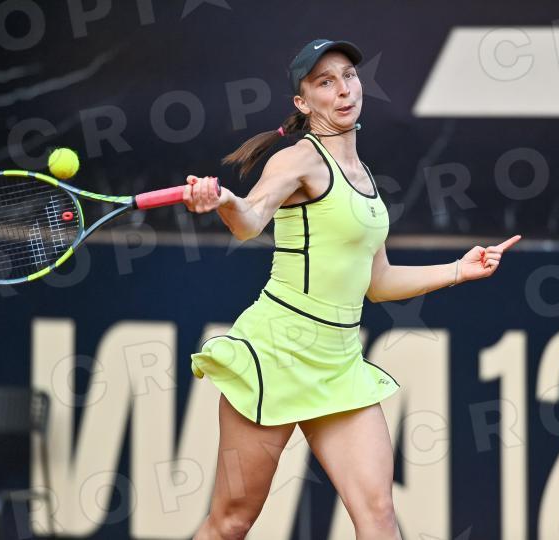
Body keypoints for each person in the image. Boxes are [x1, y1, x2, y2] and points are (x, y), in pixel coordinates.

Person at [183, 38, 521, 540]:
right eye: (325, 82)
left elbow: (377, 283)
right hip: (274, 354)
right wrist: (227, 202)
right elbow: (251, 221)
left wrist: (457, 269)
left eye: (349, 76)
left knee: (378, 515)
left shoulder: (363, 177)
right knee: (231, 522)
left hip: (339, 365)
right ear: (303, 103)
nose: (343, 90)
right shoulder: (298, 160)